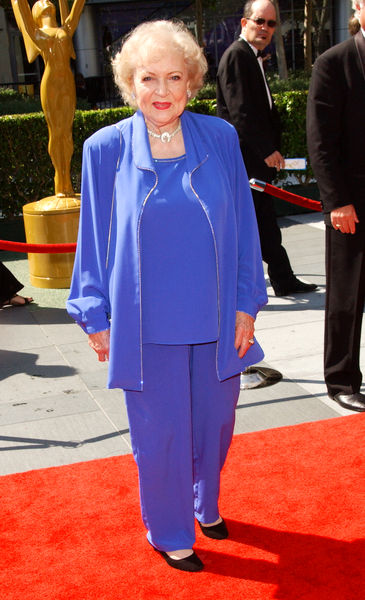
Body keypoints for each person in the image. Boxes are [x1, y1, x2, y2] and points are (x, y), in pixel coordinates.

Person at [67, 20, 267, 572]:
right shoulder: (103, 149)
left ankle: (204, 501)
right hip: (145, 320)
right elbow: (95, 238)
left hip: (218, 312)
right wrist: (93, 312)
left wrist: (248, 302)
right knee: (161, 433)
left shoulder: (221, 138)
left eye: (174, 77)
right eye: (148, 78)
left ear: (192, 82)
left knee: (215, 424)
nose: (161, 91)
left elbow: (246, 229)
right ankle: (171, 527)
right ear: (130, 84)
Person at [216, 0, 317, 297]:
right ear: (245, 22)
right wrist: (266, 150)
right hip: (246, 161)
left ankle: (280, 278)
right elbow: (240, 112)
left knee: (260, 222)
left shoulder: (250, 57)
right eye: (260, 21)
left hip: (252, 160)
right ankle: (281, 279)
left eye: (272, 24)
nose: (266, 28)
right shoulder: (237, 56)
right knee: (261, 223)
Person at [306, 1, 365, 413]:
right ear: (359, 7)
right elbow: (320, 142)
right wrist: (337, 202)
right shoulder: (333, 63)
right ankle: (341, 378)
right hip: (352, 204)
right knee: (347, 295)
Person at [11, 0, 85, 197]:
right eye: (40, 2)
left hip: (67, 83)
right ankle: (59, 177)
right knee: (55, 132)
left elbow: (78, 7)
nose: (45, 2)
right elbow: (21, 9)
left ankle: (67, 177)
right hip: (50, 84)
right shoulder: (36, 33)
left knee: (67, 132)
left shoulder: (66, 28)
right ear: (36, 12)